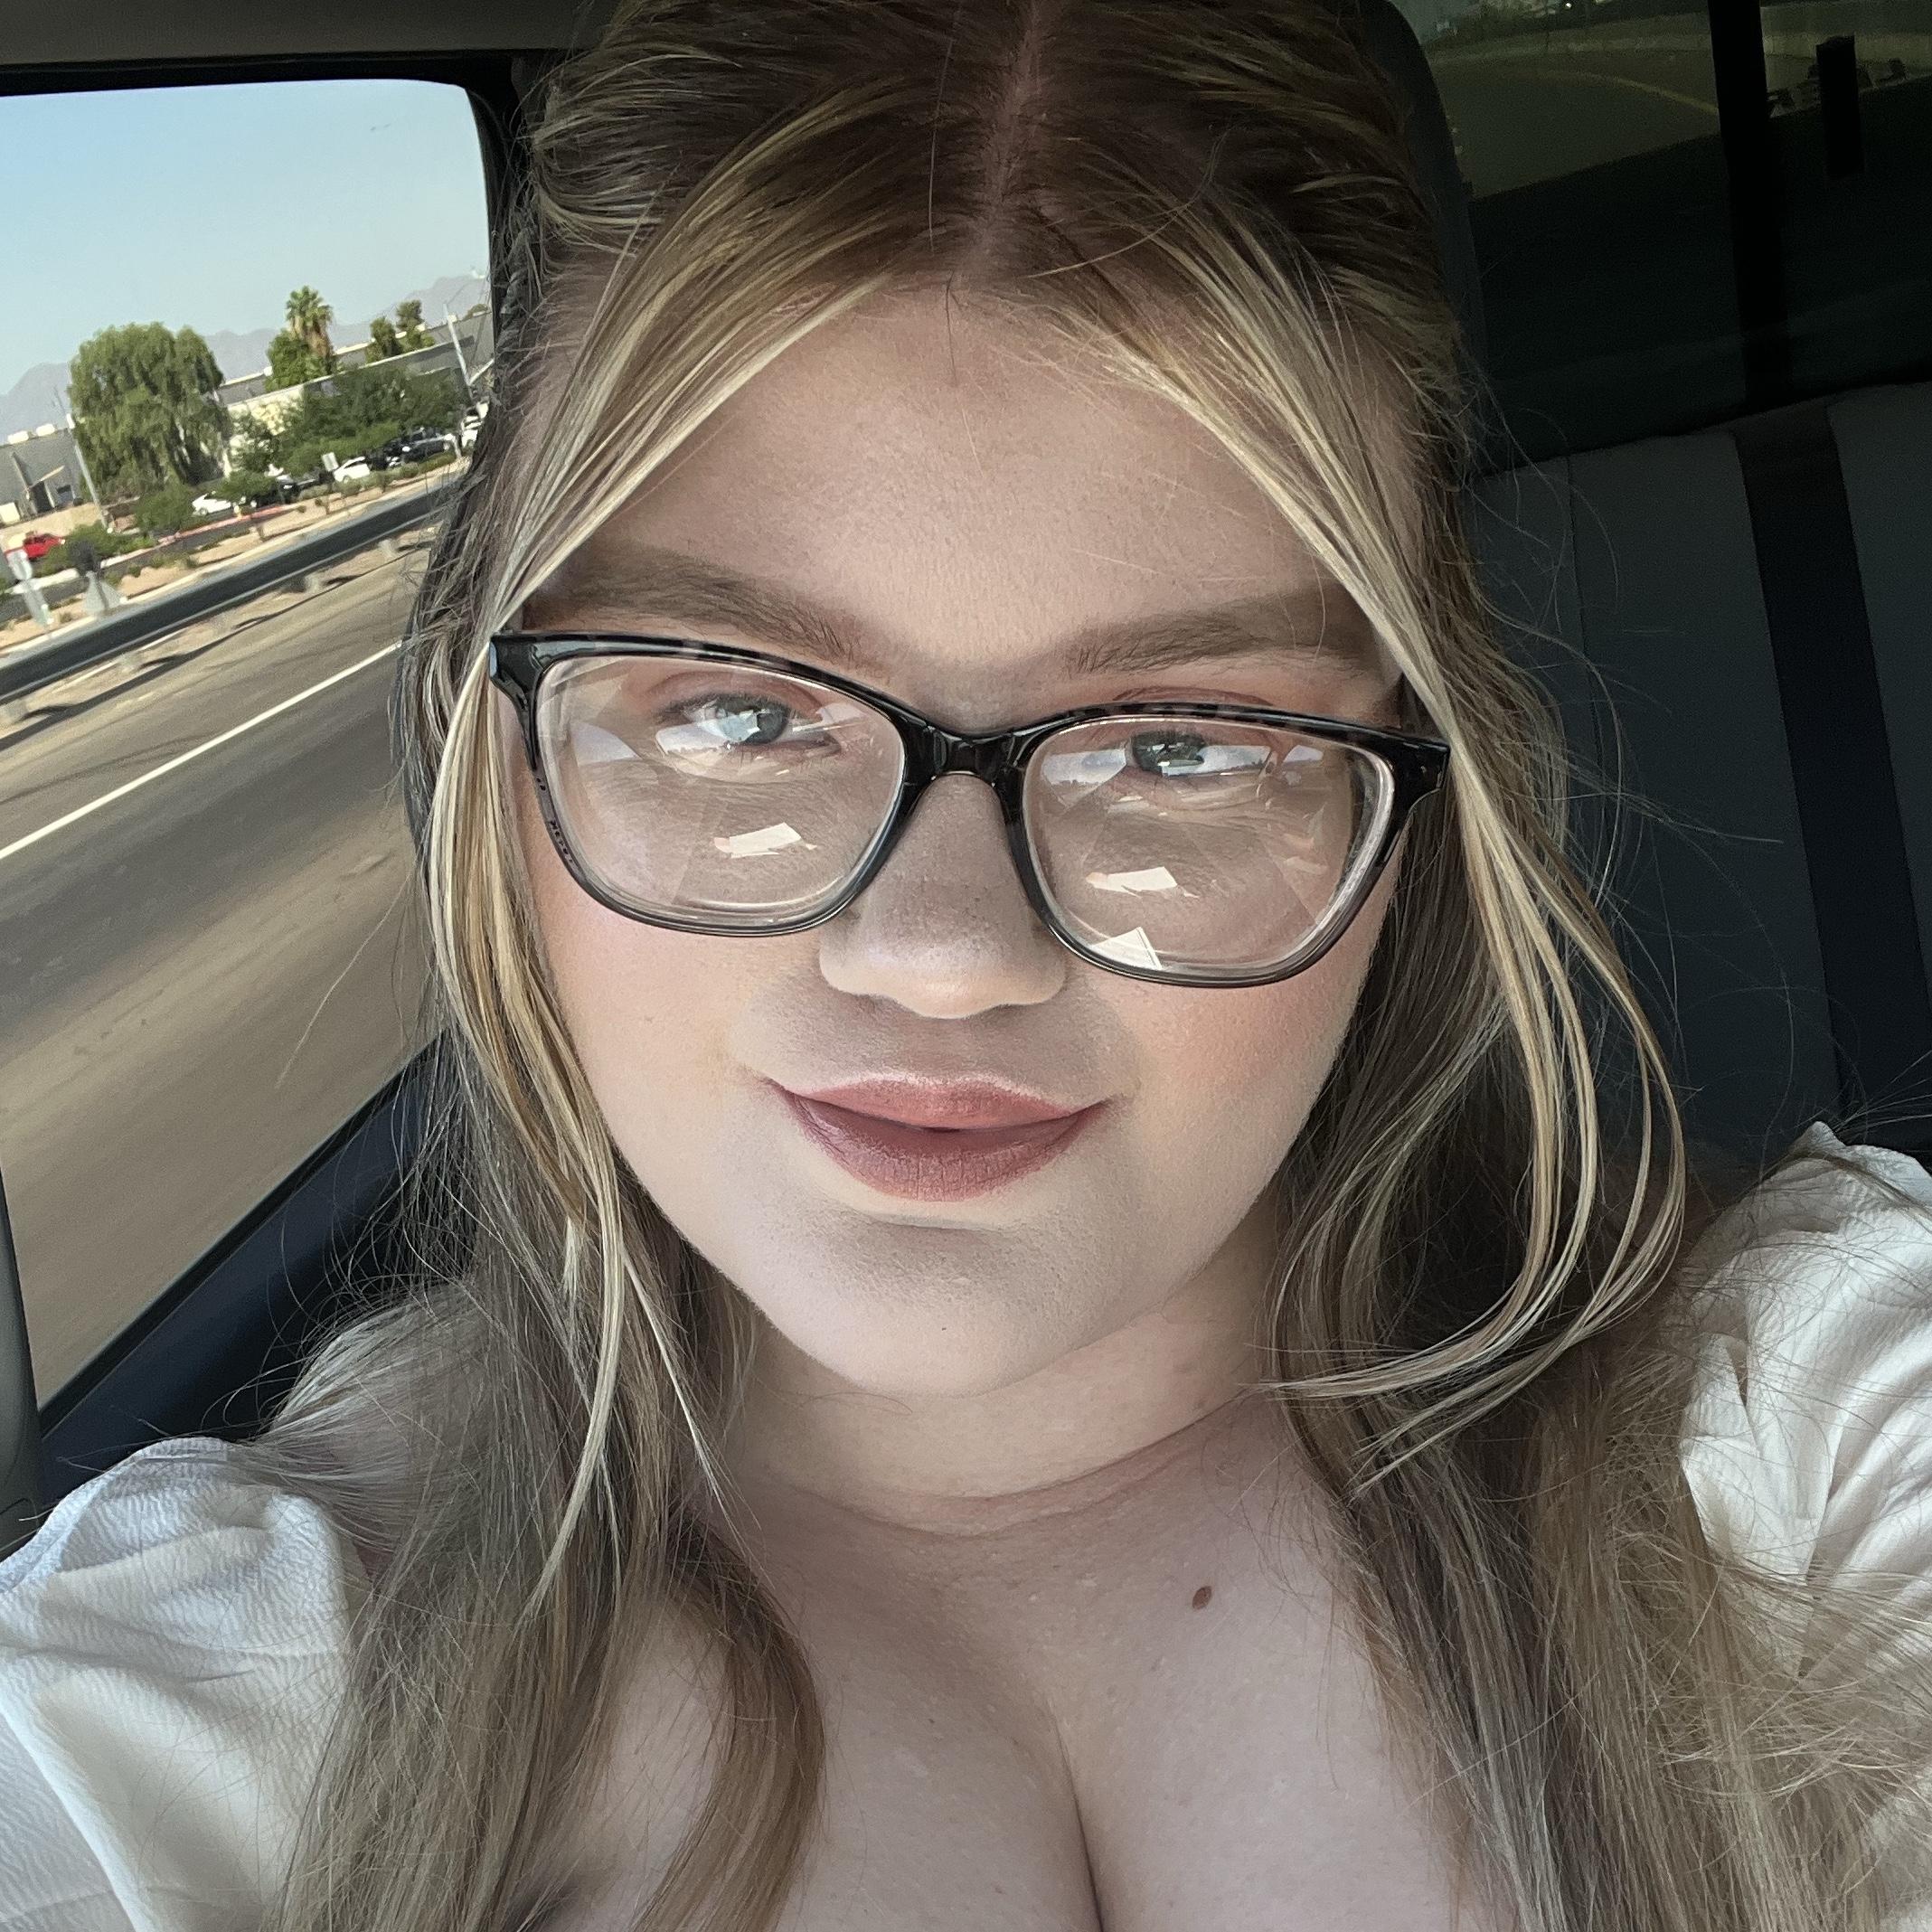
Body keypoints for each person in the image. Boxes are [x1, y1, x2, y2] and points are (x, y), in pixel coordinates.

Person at [3, 2, 1931, 1929]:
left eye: (1180, 745)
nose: (940, 957)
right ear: (491, 754)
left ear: (1410, 805)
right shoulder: (215, 1693)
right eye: (738, 715)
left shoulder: (1813, 1436)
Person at [64, 532, 124, 617]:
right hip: (92, 575)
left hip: (92, 575)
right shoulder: (81, 548)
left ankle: (107, 608)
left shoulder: (77, 550)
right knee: (98, 591)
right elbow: (92, 559)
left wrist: (93, 572)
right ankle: (106, 608)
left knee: (99, 591)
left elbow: (85, 562)